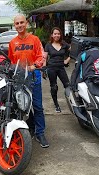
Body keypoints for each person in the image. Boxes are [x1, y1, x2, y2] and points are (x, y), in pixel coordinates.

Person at [8, 15, 49, 148]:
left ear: (26, 24)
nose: (19, 25)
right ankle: (28, 127)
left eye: (21, 22)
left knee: (37, 106)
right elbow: (10, 61)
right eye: (17, 23)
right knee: (22, 105)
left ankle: (40, 132)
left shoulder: (35, 39)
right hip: (19, 78)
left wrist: (35, 66)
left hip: (33, 76)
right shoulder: (12, 43)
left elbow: (41, 56)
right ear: (14, 25)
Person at [44, 27, 71, 113]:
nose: (57, 35)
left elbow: (74, 50)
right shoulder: (48, 45)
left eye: (58, 34)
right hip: (51, 68)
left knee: (68, 86)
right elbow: (44, 58)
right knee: (54, 87)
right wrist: (43, 69)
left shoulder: (64, 44)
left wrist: (67, 60)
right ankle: (56, 105)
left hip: (61, 68)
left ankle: (72, 103)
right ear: (52, 35)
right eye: (55, 34)